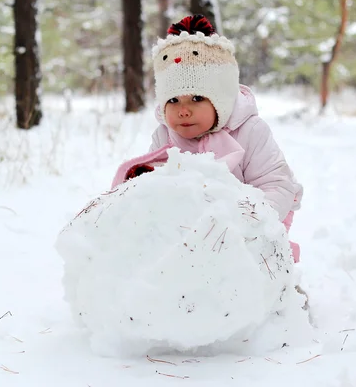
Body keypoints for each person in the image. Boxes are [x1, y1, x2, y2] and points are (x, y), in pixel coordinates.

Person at [111, 15, 303, 263]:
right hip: (190, 232)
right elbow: (158, 183)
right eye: (173, 100)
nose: (183, 110)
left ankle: (278, 288)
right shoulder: (164, 135)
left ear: (220, 100)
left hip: (250, 227)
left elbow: (277, 183)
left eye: (197, 98)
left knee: (258, 261)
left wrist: (247, 221)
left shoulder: (250, 131)